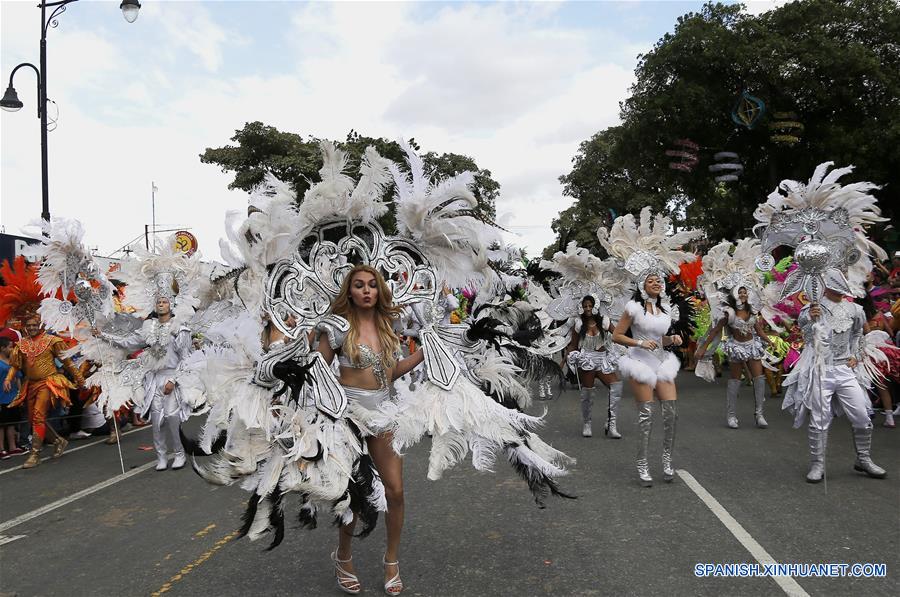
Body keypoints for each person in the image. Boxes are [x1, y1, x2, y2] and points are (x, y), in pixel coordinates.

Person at [315, 265, 424, 595]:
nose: (366, 290)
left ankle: (391, 560)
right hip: (348, 417)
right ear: (349, 291)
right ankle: (344, 557)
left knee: (395, 491)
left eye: (372, 286)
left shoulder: (388, 325)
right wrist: (335, 394)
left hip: (384, 411)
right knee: (355, 495)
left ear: (379, 291)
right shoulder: (336, 328)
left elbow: (390, 374)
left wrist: (423, 353)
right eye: (359, 285)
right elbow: (316, 372)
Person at [94, 296, 194, 471]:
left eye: (164, 301)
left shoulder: (180, 329)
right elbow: (129, 342)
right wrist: (103, 336)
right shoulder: (149, 327)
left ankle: (179, 454)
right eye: (158, 302)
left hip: (172, 378)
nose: (161, 304)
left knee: (172, 417)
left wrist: (173, 380)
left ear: (171, 305)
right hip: (154, 379)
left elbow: (186, 359)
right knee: (157, 420)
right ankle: (161, 457)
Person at [613, 276, 683, 486]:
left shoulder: (665, 310)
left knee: (671, 414)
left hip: (662, 363)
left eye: (658, 281)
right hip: (639, 362)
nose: (656, 283)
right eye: (651, 281)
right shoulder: (633, 308)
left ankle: (667, 460)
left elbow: (660, 340)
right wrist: (640, 342)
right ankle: (642, 465)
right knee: (647, 415)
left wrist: (672, 339)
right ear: (642, 285)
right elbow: (616, 336)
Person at [3, 313, 85, 468]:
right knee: (33, 419)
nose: (32, 328)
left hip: (48, 383)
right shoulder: (21, 345)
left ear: (40, 325)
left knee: (39, 416)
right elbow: (15, 365)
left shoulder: (52, 341)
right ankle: (58, 440)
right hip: (30, 384)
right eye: (29, 325)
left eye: (35, 325)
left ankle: (34, 454)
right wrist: (8, 379)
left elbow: (67, 362)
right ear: (25, 327)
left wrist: (80, 379)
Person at [696, 286, 773, 429]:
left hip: (752, 346)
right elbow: (715, 331)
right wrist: (703, 347)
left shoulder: (752, 312)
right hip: (736, 347)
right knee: (735, 380)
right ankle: (731, 415)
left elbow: (759, 331)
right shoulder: (728, 314)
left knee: (759, 379)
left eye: (745, 292)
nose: (743, 295)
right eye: (740, 292)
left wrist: (769, 341)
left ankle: (759, 414)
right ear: (734, 295)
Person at [565, 296, 624, 438]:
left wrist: (629, 347)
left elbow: (617, 336)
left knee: (616, 388)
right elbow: (573, 344)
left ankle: (611, 424)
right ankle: (587, 423)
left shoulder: (604, 321)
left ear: (595, 306)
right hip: (587, 361)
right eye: (585, 306)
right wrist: (571, 356)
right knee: (587, 394)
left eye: (590, 306)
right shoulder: (578, 324)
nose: (588, 309)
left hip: (603, 360)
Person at [0, 337, 24, 459]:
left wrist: (20, 394)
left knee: (11, 423)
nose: (12, 349)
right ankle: (2, 449)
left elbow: (18, 378)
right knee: (1, 425)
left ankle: (12, 447)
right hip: (1, 398)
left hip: (13, 397)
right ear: (2, 348)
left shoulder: (13, 361)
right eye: (10, 347)